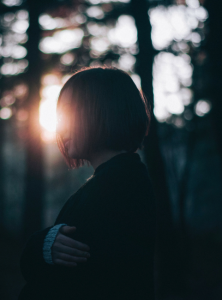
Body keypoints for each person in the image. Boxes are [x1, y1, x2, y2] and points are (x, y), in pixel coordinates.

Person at [18, 66, 157, 300]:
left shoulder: (114, 189)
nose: (60, 127)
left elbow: (62, 285)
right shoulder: (119, 180)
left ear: (100, 113)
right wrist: (43, 245)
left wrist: (39, 248)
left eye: (68, 114)